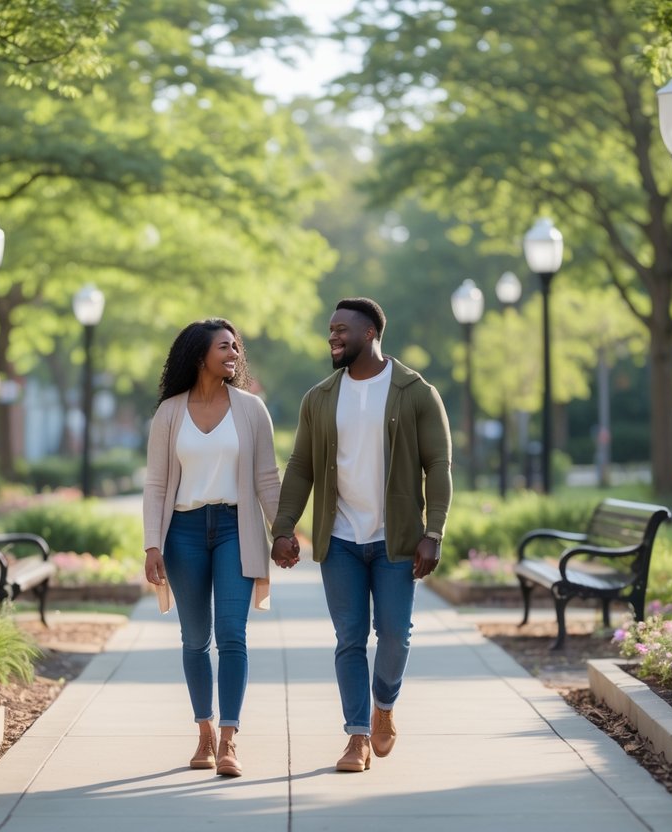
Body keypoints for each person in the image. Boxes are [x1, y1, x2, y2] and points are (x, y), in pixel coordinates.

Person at [270, 297, 452, 773]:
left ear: (370, 333)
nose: (333, 337)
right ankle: (357, 737)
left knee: (395, 634)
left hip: (397, 538)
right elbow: (301, 466)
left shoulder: (414, 391)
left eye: (341, 329)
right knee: (349, 638)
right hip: (342, 540)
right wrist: (284, 527)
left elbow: (438, 464)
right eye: (330, 330)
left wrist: (434, 531)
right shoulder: (320, 397)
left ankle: (384, 706)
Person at [142, 318, 282, 778]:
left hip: (233, 528)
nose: (233, 354)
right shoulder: (169, 413)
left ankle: (229, 738)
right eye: (224, 347)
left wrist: (283, 530)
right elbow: (157, 485)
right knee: (195, 639)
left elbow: (266, 476)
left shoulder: (251, 409)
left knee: (232, 634)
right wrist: (151, 545)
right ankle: (203, 730)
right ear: (199, 354)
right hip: (181, 533)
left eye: (236, 347)